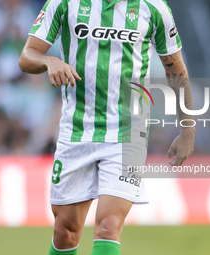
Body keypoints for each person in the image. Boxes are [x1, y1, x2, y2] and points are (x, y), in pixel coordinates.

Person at [19, 0, 195, 254]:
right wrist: (49, 61)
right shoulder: (65, 3)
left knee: (108, 226)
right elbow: (27, 55)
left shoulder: (154, 7)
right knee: (65, 231)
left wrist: (187, 128)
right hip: (77, 130)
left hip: (128, 133)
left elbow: (176, 69)